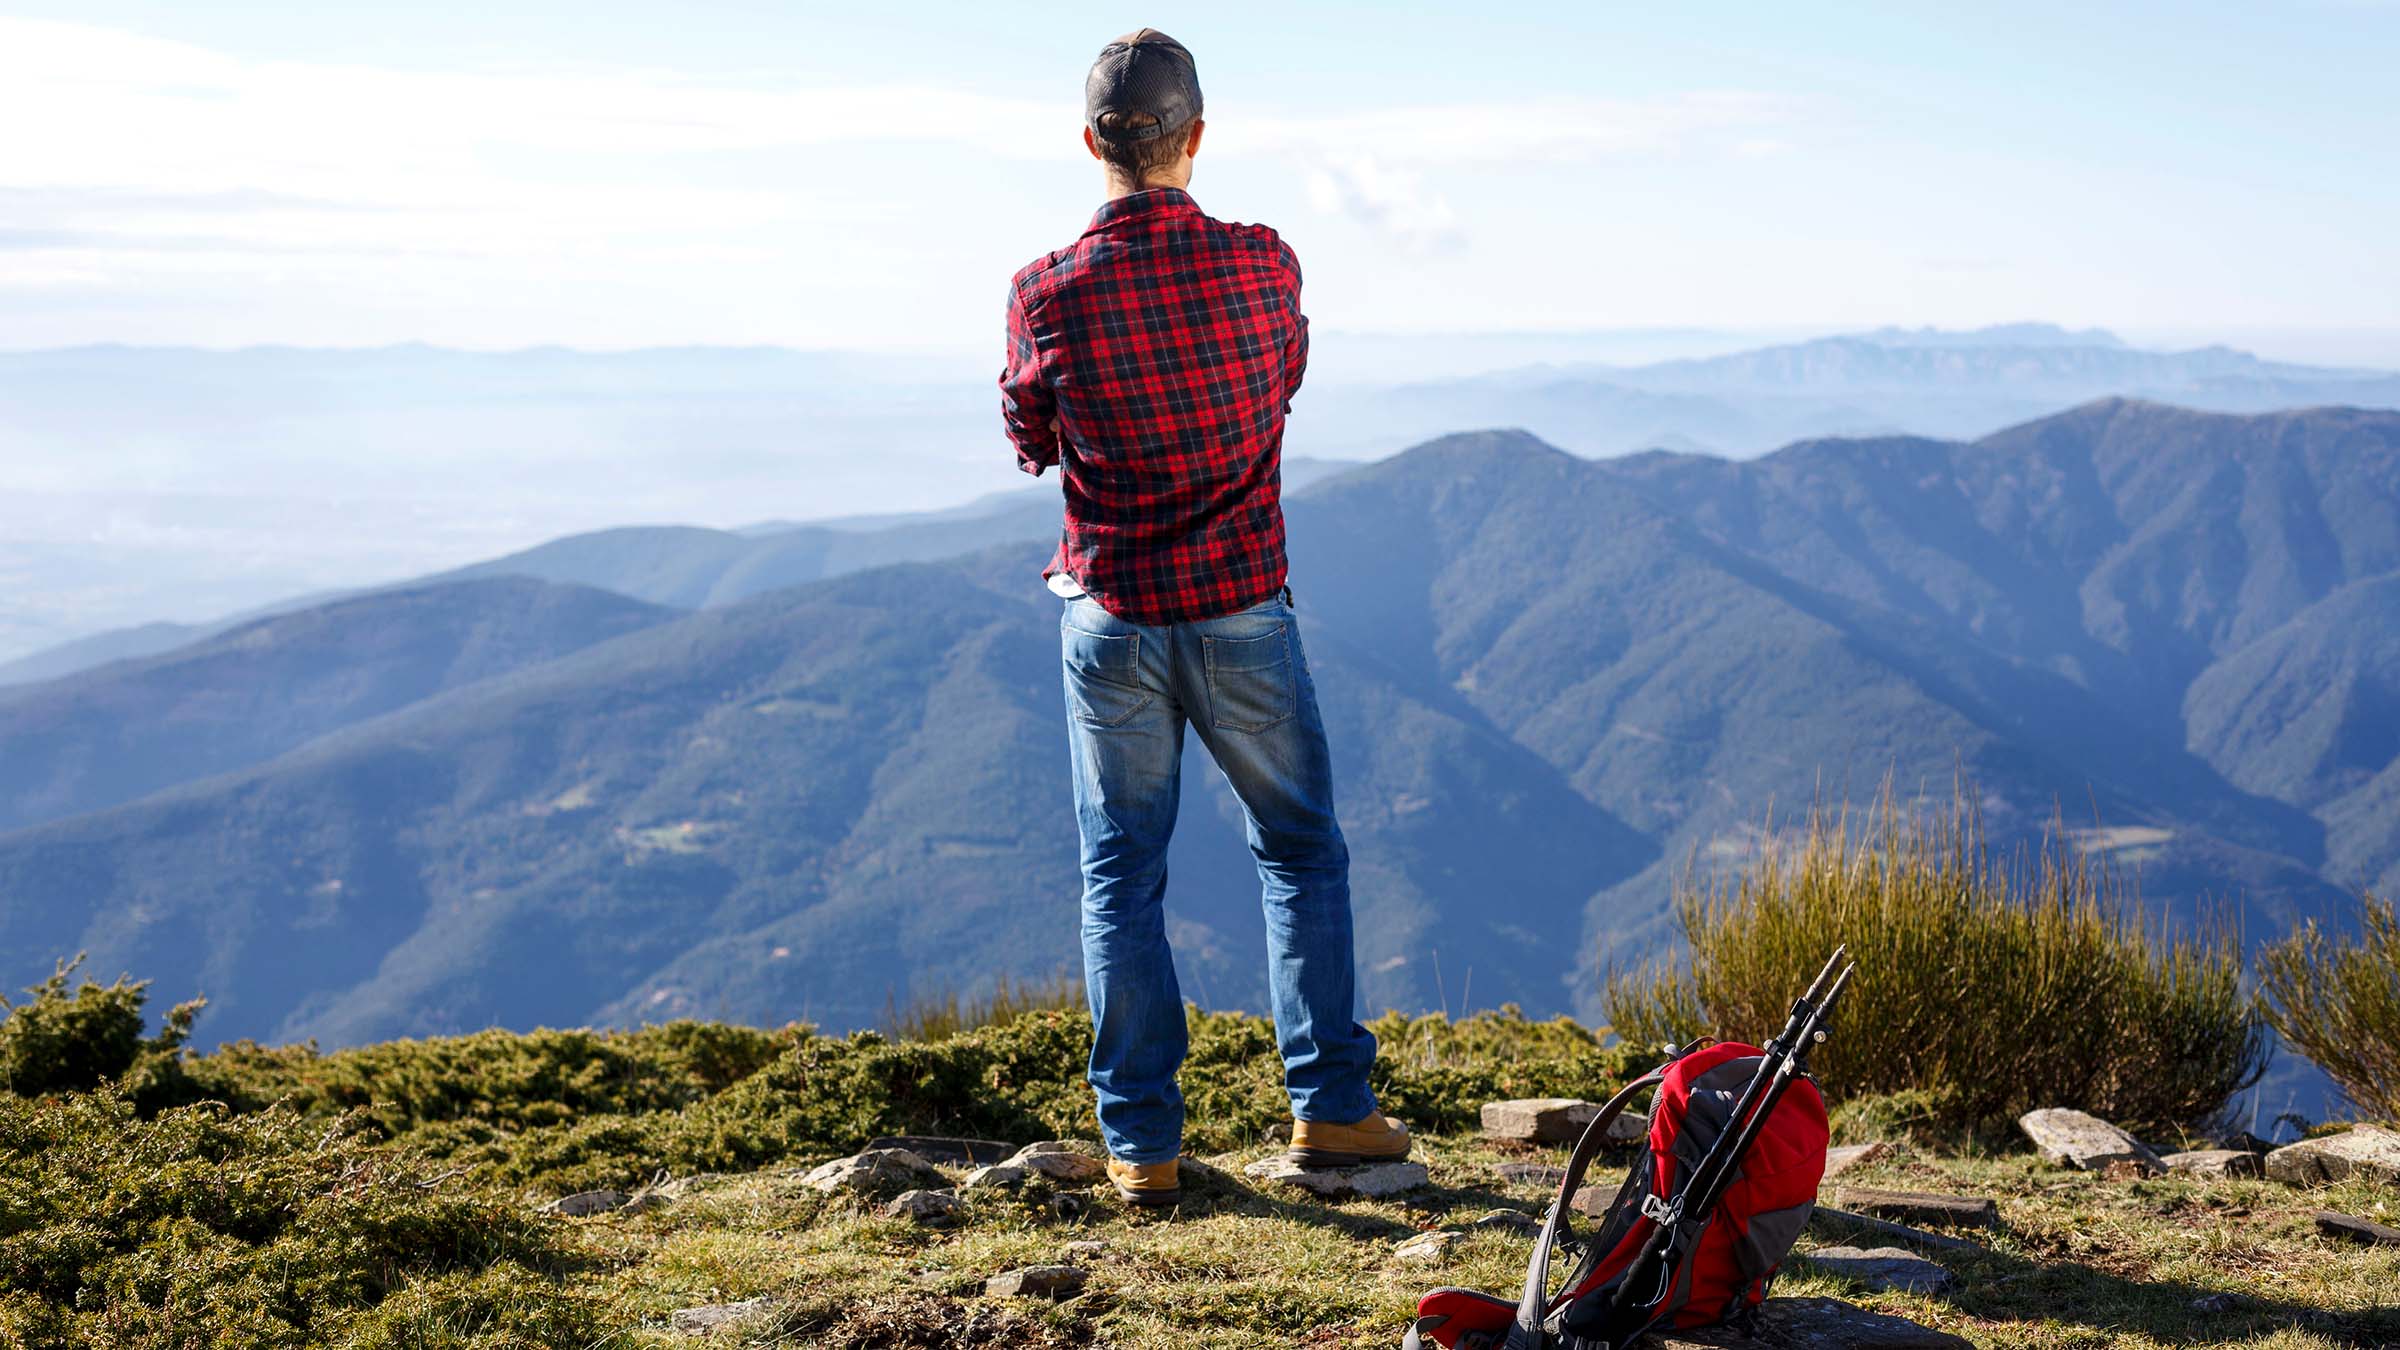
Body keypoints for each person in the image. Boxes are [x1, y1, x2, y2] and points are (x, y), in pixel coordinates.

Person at [997, 28, 1408, 1209]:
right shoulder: (1264, 263)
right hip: (1241, 609)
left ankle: (1142, 1144)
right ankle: (1331, 1109)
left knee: (1120, 870)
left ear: (1091, 145)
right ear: (1197, 139)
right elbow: (1282, 377)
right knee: (1299, 847)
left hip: (1113, 615)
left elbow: (1030, 439)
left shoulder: (1044, 289)